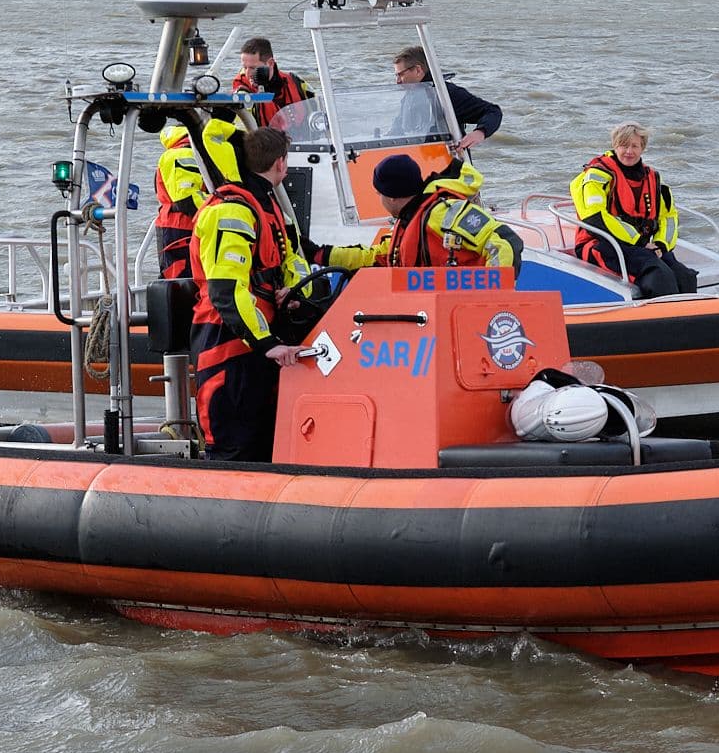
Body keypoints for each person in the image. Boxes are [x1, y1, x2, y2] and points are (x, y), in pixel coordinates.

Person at [189, 126, 310, 461]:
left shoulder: (266, 207)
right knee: (233, 447)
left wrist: (294, 297)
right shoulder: (233, 211)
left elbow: (288, 262)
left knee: (261, 444)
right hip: (228, 347)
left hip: (255, 347)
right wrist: (269, 345)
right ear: (281, 165)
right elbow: (226, 292)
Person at [315, 153, 523, 272]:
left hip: (461, 310)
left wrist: (493, 296)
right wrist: (321, 254)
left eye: (379, 193)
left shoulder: (441, 213)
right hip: (426, 310)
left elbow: (505, 241)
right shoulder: (409, 221)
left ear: (392, 196)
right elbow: (376, 257)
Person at [571, 122, 698, 299]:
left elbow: (668, 217)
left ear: (642, 148)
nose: (628, 151)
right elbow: (596, 217)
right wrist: (639, 242)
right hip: (601, 243)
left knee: (685, 276)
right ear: (615, 146)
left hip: (643, 246)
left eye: (634, 146)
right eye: (623, 145)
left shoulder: (651, 178)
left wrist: (661, 245)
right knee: (658, 276)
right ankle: (662, 322)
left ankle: (688, 321)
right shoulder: (597, 175)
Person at [153, 116, 245, 280]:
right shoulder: (182, 153)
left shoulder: (194, 150)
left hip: (191, 227)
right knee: (183, 281)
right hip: (182, 230)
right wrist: (224, 208)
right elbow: (187, 200)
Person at [392, 45, 501, 151]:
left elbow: (492, 111)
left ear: (418, 70)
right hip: (418, 158)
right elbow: (398, 129)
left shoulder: (447, 93)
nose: (397, 81)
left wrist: (480, 132)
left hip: (447, 162)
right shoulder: (409, 96)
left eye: (400, 74)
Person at [232, 37, 311, 129]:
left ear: (270, 63)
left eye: (253, 68)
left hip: (300, 140)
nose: (248, 74)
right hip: (262, 141)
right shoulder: (240, 90)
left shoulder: (296, 83)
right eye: (245, 67)